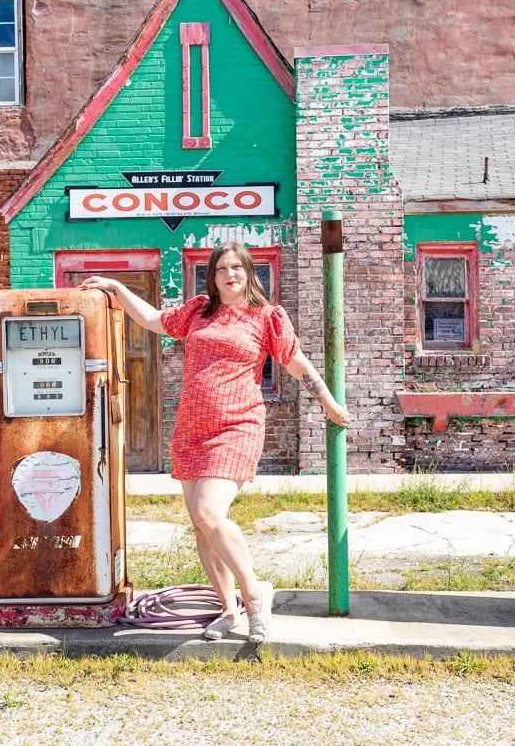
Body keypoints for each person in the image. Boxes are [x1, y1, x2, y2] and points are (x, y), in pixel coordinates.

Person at [81, 242, 351, 643]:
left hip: (237, 426)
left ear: (248, 273)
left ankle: (254, 595)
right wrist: (117, 289)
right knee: (201, 528)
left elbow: (295, 361)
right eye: (223, 268)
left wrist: (327, 400)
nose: (231, 275)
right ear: (213, 275)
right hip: (192, 427)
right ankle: (228, 611)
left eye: (237, 268)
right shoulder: (198, 311)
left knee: (210, 513)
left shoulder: (267, 317)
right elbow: (155, 319)